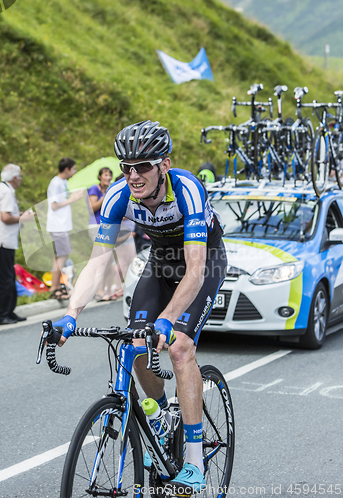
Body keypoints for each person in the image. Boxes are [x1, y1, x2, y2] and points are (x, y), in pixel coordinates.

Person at [49, 120, 227, 493]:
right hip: (160, 262)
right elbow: (98, 262)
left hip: (203, 263)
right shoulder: (118, 197)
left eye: (142, 166)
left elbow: (195, 271)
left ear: (163, 164)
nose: (132, 175)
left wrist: (167, 319)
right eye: (125, 167)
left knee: (178, 347)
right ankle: (160, 414)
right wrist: (71, 313)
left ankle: (193, 461)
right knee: (134, 342)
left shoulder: (187, 190)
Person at [0, 164, 34, 325]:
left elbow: (7, 214)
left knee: (9, 275)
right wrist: (23, 218)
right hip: (4, 240)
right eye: (20, 176)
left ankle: (9, 311)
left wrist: (21, 214)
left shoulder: (0, 189)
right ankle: (0, 315)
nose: (21, 179)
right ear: (14, 178)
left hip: (1, 239)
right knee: (6, 278)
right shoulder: (7, 192)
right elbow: (5, 218)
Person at [46, 157, 82, 301]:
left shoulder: (64, 182)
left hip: (62, 225)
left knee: (59, 256)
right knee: (63, 255)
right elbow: (54, 205)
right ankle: (54, 286)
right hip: (57, 225)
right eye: (73, 169)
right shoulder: (56, 183)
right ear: (66, 169)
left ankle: (55, 285)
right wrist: (72, 199)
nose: (74, 172)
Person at [88, 167, 123, 301]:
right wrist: (105, 196)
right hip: (95, 226)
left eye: (110, 175)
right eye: (106, 175)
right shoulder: (94, 189)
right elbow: (92, 207)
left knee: (108, 261)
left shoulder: (109, 190)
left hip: (107, 227)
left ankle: (104, 290)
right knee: (101, 259)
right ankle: (98, 292)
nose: (108, 177)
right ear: (100, 176)